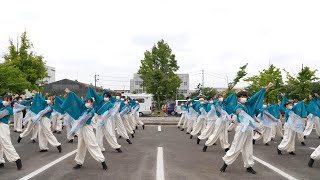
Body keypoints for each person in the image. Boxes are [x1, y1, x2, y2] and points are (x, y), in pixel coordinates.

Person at [220, 82, 273, 174]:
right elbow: (246, 119)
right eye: (241, 96)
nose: (244, 98)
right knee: (236, 147)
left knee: (248, 148)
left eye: (245, 96)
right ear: (238, 98)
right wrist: (255, 127)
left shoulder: (248, 104)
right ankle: (225, 163)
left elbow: (256, 97)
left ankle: (249, 166)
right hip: (242, 129)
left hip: (248, 129)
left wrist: (265, 89)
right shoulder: (238, 107)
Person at [61, 89, 107, 170]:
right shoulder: (83, 108)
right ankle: (79, 162)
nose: (87, 103)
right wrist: (71, 93)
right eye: (86, 101)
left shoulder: (91, 111)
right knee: (80, 145)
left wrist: (74, 129)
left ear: (92, 103)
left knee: (92, 144)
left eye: (89, 101)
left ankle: (102, 161)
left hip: (87, 128)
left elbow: (83, 120)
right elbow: (78, 100)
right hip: (81, 128)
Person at [0, 95, 22, 170]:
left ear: (10, 101)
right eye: (4, 99)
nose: (5, 101)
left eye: (7, 99)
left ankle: (17, 159)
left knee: (6, 143)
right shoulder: (3, 107)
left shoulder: (8, 109)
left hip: (3, 127)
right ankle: (1, 161)